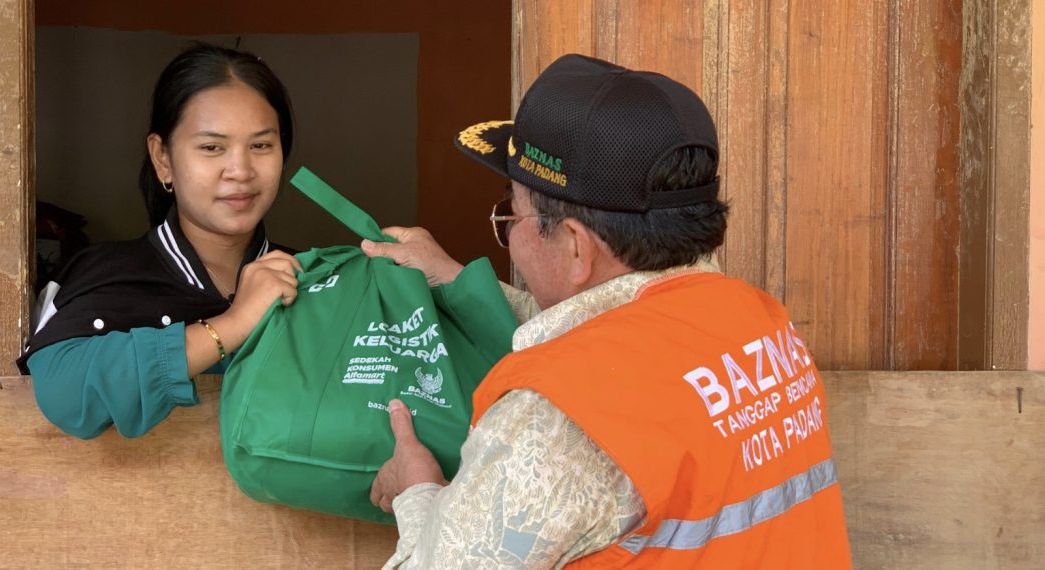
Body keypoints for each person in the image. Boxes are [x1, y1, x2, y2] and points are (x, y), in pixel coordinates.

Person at [364, 54, 852, 568]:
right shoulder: (759, 324)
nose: (511, 234)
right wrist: (458, 281)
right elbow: (618, 335)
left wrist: (417, 492)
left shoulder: (553, 424)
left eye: (512, 213)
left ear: (577, 246)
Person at [16, 43, 302, 439]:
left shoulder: (317, 278)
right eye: (212, 147)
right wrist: (233, 324)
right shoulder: (103, 275)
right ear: (162, 158)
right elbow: (64, 394)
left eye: (261, 145)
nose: (240, 170)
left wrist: (400, 284)